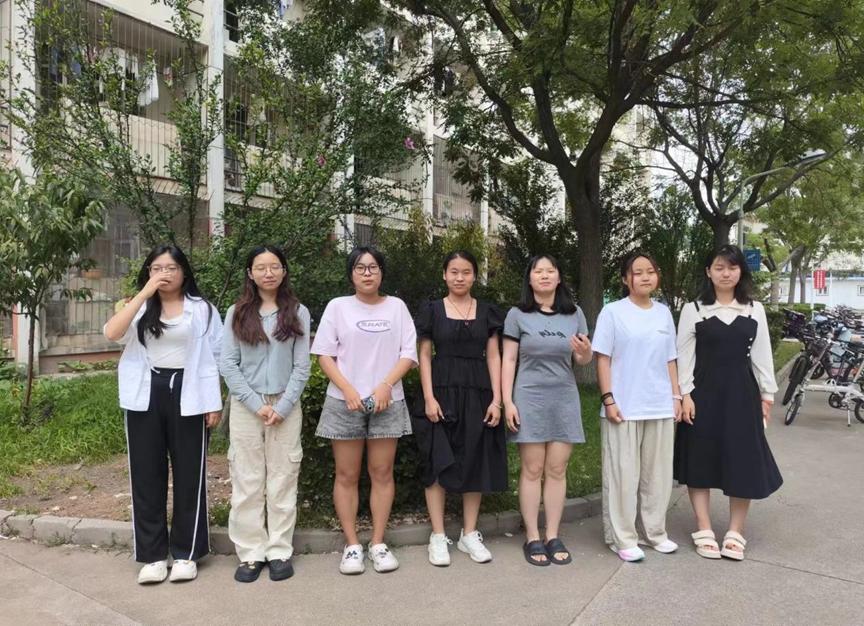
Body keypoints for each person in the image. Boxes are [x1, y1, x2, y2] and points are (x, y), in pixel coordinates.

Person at [103, 245, 222, 585]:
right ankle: (153, 555)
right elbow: (112, 333)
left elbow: (215, 356)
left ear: (184, 272)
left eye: (171, 268)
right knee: (145, 474)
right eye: (156, 268)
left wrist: (213, 402)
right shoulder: (137, 306)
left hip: (189, 391)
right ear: (148, 272)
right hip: (146, 392)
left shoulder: (203, 309)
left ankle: (186, 553)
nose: (164, 274)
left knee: (190, 472)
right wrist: (144, 294)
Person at [311, 246, 418, 575]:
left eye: (373, 267)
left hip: (388, 401)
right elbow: (325, 355)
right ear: (351, 274)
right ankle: (352, 545)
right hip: (345, 401)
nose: (367, 273)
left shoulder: (397, 307)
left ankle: (379, 543)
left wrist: (385, 385)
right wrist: (347, 389)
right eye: (360, 267)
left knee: (382, 473)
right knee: (346, 475)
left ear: (382, 272)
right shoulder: (338, 307)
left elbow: (408, 353)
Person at [675, 244, 783, 561]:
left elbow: (762, 356)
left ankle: (736, 531)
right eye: (719, 267)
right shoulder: (694, 309)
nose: (726, 273)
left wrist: (767, 396)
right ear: (708, 272)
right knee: (699, 459)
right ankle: (704, 527)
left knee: (742, 460)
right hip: (702, 395)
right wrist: (685, 395)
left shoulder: (754, 309)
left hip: (742, 395)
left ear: (740, 272)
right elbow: (683, 357)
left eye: (732, 267)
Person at [220, 245, 311, 583]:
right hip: (247, 406)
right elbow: (228, 364)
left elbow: (302, 366)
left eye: (274, 266)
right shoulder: (236, 313)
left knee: (283, 476)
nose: (268, 273)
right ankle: (250, 552)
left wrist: (282, 406)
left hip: (286, 403)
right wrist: (256, 404)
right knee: (246, 478)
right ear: (250, 273)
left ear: (284, 271)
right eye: (261, 267)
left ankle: (279, 550)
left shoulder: (298, 312)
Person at [412, 250, 507, 567]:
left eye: (466, 272)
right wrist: (428, 397)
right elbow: (425, 355)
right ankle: (438, 535)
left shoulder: (488, 312)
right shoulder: (432, 310)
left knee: (474, 460)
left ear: (475, 276)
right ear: (444, 274)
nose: (459, 277)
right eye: (453, 271)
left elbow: (493, 356)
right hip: (440, 390)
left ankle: (469, 534)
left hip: (478, 392)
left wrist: (496, 399)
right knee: (437, 462)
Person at [501, 254, 593, 567]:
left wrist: (585, 353)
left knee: (557, 469)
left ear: (558, 277)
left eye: (550, 270)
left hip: (564, 398)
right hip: (528, 397)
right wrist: (508, 401)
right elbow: (508, 360)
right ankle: (532, 536)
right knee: (532, 469)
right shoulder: (517, 314)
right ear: (529, 278)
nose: (544, 275)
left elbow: (582, 359)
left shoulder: (574, 314)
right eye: (538, 271)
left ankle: (553, 534)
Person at [593, 251, 681, 563]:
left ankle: (654, 532)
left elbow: (670, 358)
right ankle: (623, 538)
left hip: (659, 405)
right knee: (622, 475)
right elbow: (602, 358)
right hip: (624, 406)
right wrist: (608, 398)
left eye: (650, 271)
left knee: (658, 476)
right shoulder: (612, 312)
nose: (645, 277)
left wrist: (676, 397)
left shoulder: (663, 313)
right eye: (638, 272)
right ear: (625, 279)